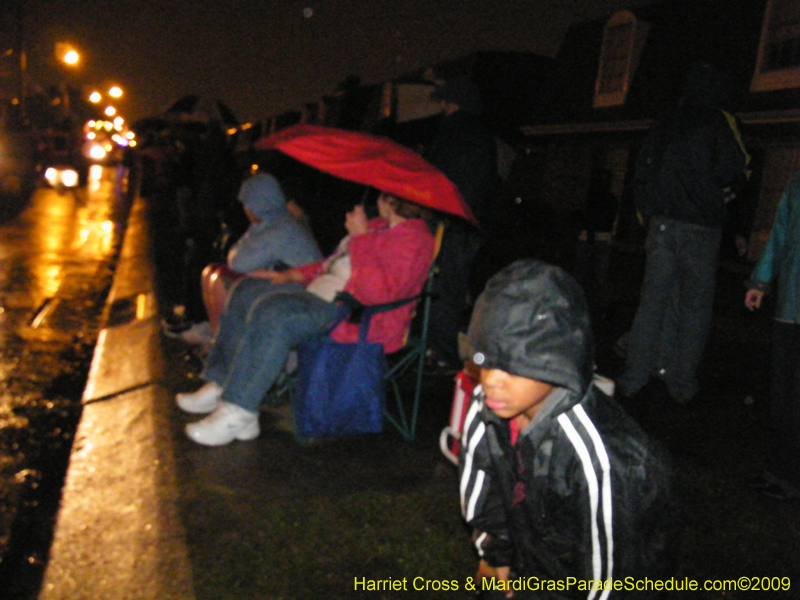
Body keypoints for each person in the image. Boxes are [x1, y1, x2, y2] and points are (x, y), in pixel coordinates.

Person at [459, 260, 678, 597]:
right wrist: (495, 554)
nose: (491, 383)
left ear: (557, 360)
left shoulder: (603, 460)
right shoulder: (485, 407)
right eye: (484, 363)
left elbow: (610, 580)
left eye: (512, 367)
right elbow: (485, 492)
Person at [176, 194, 435, 446]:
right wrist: (292, 275)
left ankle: (239, 411)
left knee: (276, 314)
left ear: (391, 201)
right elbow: (331, 263)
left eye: (382, 194)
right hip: (321, 293)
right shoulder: (378, 226)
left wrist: (361, 238)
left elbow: (376, 294)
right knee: (247, 288)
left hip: (353, 314)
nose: (376, 200)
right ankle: (222, 382)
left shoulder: (416, 241)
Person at [616, 62, 748, 405]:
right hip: (701, 227)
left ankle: (634, 378)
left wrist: (649, 214)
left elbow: (641, 171)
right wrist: (718, 195)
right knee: (694, 308)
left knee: (652, 304)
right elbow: (735, 169)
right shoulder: (718, 122)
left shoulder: (665, 123)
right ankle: (680, 383)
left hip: (662, 224)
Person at [188, 172, 322, 342]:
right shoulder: (272, 220)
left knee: (219, 279)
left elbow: (238, 262)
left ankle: (222, 340)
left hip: (303, 289)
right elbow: (240, 250)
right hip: (287, 279)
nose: (246, 209)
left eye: (248, 203)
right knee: (211, 270)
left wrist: (242, 245)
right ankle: (217, 334)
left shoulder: (280, 229)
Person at [425, 76, 498, 370]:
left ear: (452, 102)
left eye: (444, 100)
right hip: (471, 223)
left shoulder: (452, 131)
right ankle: (444, 346)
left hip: (449, 221)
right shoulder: (484, 135)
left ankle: (441, 351)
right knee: (454, 285)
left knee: (441, 285)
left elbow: (435, 175)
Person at [744, 170, 800, 501]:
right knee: (784, 396)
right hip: (790, 307)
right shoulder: (796, 183)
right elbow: (781, 233)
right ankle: (781, 472)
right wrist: (761, 281)